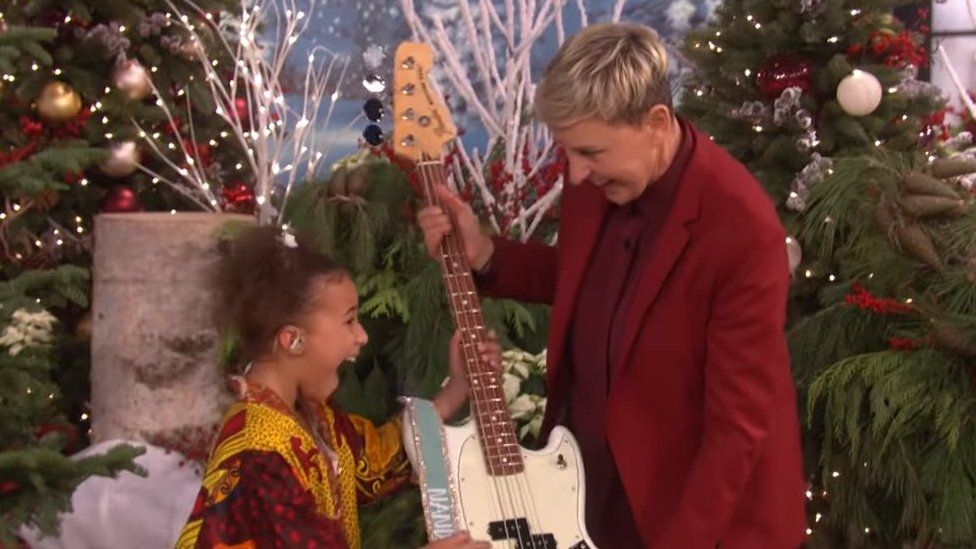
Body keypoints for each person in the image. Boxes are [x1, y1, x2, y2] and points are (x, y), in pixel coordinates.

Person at [417, 22, 806, 549]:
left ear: (656, 122)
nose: (575, 174)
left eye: (590, 152)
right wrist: (485, 253)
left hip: (690, 513)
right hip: (586, 487)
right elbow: (586, 282)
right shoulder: (604, 179)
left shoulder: (741, 229)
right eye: (567, 152)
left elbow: (737, 429)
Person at [176, 226, 495, 549]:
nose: (362, 336)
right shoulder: (258, 452)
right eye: (348, 321)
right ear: (292, 340)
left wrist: (455, 391)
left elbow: (377, 459)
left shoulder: (310, 417)